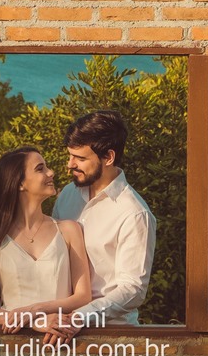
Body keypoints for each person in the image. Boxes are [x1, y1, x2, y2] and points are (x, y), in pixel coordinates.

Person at [46, 109, 156, 340]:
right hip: (58, 329)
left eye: (80, 158)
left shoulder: (134, 213)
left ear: (109, 157)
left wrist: (81, 317)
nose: (70, 164)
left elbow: (132, 290)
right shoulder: (67, 194)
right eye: (70, 155)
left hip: (110, 337)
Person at [0, 146, 92, 333]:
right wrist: (35, 322)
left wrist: (36, 310)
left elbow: (83, 296)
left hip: (63, 342)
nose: (50, 172)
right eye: (40, 168)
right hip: (15, 349)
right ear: (19, 183)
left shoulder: (69, 230)